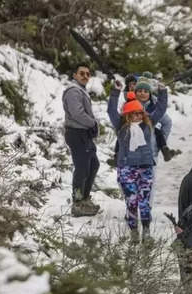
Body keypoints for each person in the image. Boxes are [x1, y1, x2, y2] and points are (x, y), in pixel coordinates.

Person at [107, 84, 166, 237]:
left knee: (144, 202)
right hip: (127, 169)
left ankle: (146, 230)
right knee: (131, 202)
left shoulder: (147, 125)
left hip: (145, 168)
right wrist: (115, 92)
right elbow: (111, 111)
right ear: (128, 115)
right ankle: (133, 230)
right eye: (134, 114)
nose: (138, 116)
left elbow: (160, 109)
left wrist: (162, 91)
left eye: (140, 113)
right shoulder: (121, 127)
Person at [62, 63, 101, 217]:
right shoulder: (73, 91)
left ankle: (84, 199)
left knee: (93, 165)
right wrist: (93, 123)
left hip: (83, 134)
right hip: (76, 133)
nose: (85, 76)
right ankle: (78, 203)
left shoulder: (81, 91)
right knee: (82, 167)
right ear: (75, 75)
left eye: (87, 74)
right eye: (81, 73)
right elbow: (77, 113)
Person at [134, 74, 180, 161]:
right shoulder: (130, 105)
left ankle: (164, 147)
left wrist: (157, 145)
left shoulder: (153, 103)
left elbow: (162, 111)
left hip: (150, 133)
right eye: (140, 91)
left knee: (157, 132)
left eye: (145, 91)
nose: (142, 93)